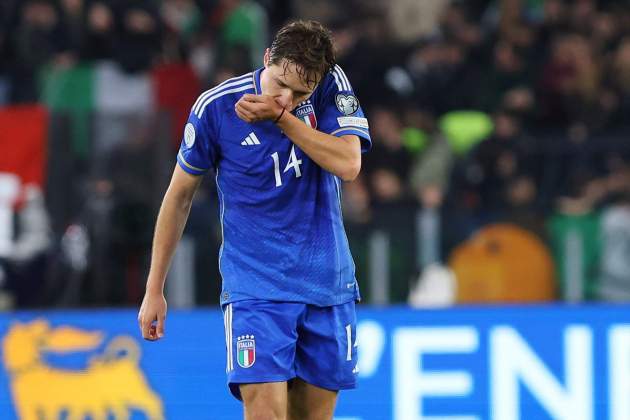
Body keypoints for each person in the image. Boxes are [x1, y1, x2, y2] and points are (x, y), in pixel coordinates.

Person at [137, 20, 371, 419]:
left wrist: (283, 119)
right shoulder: (215, 108)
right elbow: (178, 197)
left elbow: (349, 164)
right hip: (256, 289)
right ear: (266, 59)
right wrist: (154, 287)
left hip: (326, 285)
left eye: (301, 93)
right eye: (279, 84)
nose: (287, 98)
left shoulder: (331, 84)